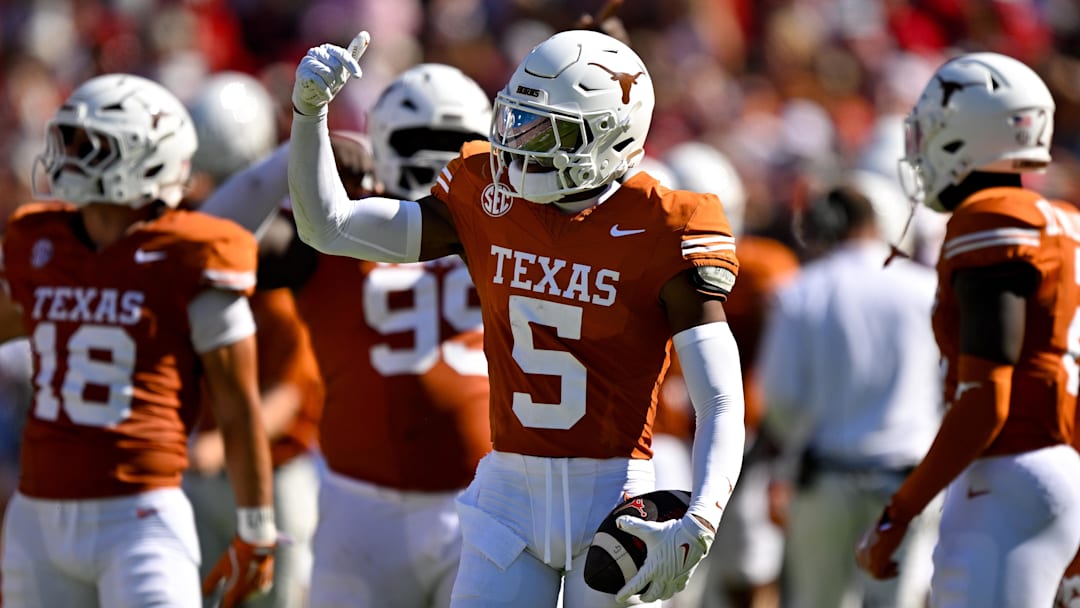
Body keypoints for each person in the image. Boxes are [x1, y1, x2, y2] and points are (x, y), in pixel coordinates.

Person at [288, 28, 747, 607]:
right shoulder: (486, 196)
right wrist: (310, 114)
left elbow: (721, 400)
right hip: (507, 491)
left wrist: (702, 519)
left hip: (612, 494)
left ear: (612, 137)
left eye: (547, 130)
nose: (520, 144)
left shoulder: (665, 224)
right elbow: (326, 228)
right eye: (517, 120)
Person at [0, 73, 277, 608]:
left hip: (139, 519)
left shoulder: (192, 253)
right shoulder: (40, 241)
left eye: (91, 146)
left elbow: (239, 409)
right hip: (36, 516)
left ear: (149, 158)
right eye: (67, 142)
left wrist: (257, 527)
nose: (68, 158)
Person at [260, 63, 495, 608]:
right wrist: (303, 149)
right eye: (420, 139)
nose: (437, 157)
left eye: (455, 141)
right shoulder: (337, 214)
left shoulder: (510, 222)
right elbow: (229, 250)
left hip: (487, 499)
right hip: (360, 503)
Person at [855, 52, 1080, 607]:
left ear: (965, 136)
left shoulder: (990, 219)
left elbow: (986, 398)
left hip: (1009, 476)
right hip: (1061, 470)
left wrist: (900, 510)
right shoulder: (1065, 222)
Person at [758, 184, 941, 608]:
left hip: (824, 479)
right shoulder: (926, 289)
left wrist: (791, 453)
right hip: (906, 482)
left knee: (818, 601)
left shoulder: (802, 290)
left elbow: (781, 397)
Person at [181, 71, 324, 608]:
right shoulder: (189, 239)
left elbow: (291, 390)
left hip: (273, 469)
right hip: (200, 469)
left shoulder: (280, 259)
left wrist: (223, 443)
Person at [661, 141, 800, 608]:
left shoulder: (765, 269)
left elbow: (784, 353)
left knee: (748, 566)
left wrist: (750, 412)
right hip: (672, 440)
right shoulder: (643, 266)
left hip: (744, 440)